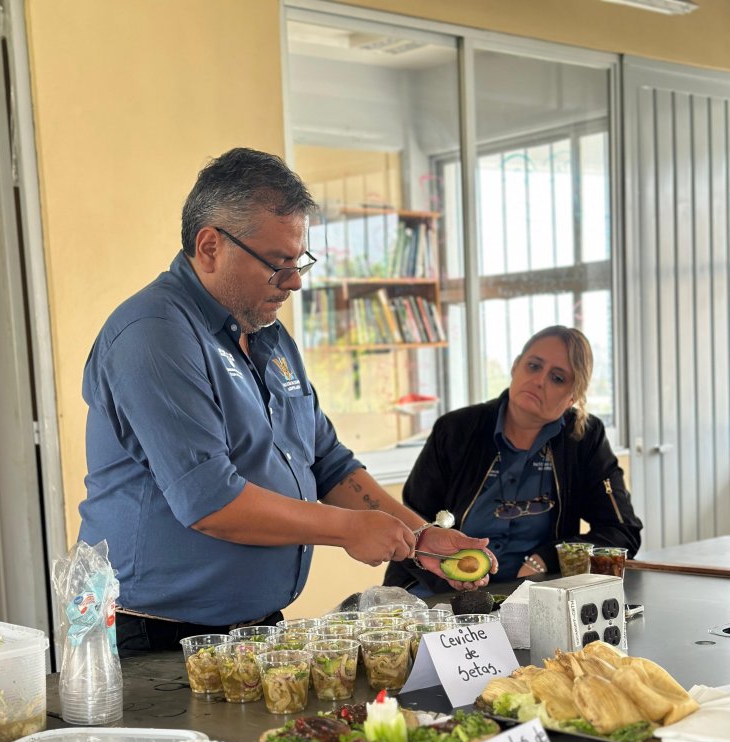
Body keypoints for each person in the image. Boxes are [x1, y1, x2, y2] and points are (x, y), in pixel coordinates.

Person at [78, 148, 494, 656]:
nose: (295, 282)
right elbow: (211, 501)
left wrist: (421, 535)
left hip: (254, 626)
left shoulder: (267, 335)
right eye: (278, 264)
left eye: (298, 263)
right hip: (156, 633)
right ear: (210, 246)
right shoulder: (154, 334)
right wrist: (349, 530)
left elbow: (327, 462)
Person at [384, 325, 642, 594]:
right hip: (437, 589)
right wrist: (451, 578)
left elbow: (621, 532)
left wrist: (547, 558)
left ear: (573, 396)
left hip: (536, 597)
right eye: (533, 366)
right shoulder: (456, 429)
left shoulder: (583, 438)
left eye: (557, 378)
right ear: (516, 366)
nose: (540, 380)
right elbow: (412, 522)